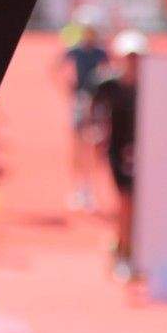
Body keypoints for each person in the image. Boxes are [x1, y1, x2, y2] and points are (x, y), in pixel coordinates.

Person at [90, 32, 146, 274]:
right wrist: (98, 131)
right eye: (129, 57)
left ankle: (128, 247)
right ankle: (124, 250)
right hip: (119, 151)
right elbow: (96, 110)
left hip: (146, 151)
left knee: (138, 203)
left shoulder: (151, 84)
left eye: (136, 57)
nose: (133, 62)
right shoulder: (109, 85)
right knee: (126, 200)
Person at [63, 18, 111, 212]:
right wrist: (67, 85)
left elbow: (111, 70)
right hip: (81, 99)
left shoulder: (101, 52)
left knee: (92, 144)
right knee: (77, 144)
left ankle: (88, 190)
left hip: (96, 102)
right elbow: (57, 67)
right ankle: (79, 188)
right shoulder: (77, 51)